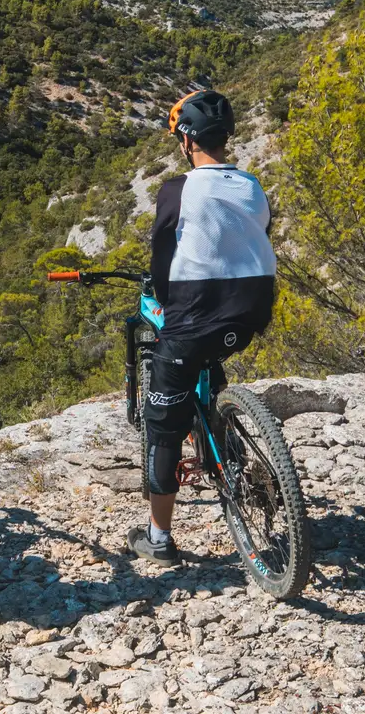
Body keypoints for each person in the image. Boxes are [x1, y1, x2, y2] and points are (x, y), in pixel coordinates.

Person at [128, 89, 277, 564]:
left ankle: (159, 538)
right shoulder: (252, 186)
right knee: (209, 356)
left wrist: (160, 292)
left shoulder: (178, 189)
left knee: (163, 427)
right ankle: (223, 425)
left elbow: (162, 253)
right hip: (251, 312)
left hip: (196, 318)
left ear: (187, 142)